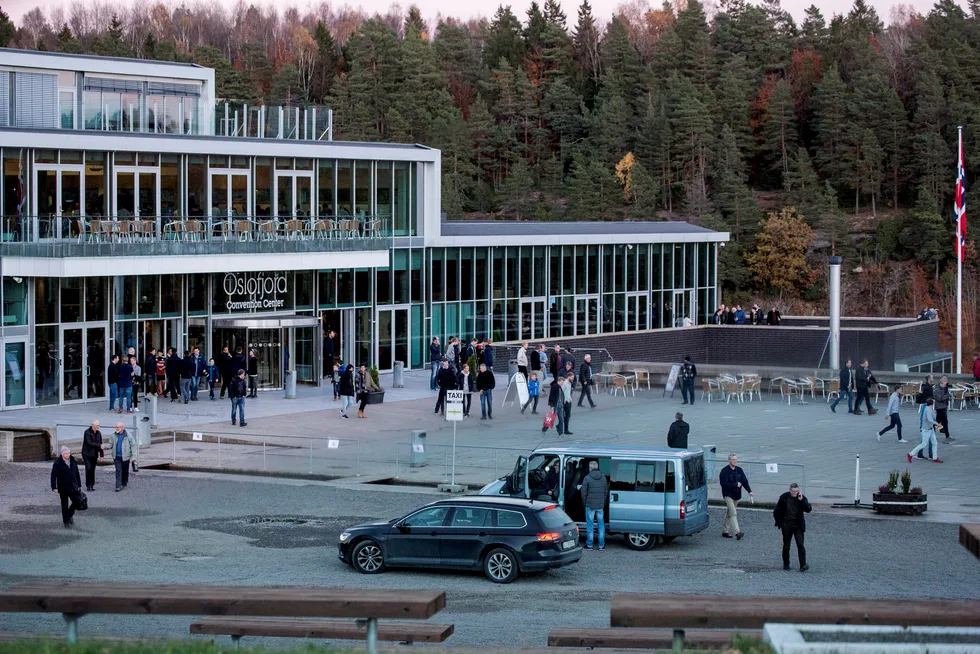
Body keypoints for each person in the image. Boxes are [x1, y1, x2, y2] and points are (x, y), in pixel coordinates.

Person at [773, 483, 812, 572]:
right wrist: (780, 523)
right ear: (790, 490)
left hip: (798, 525)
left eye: (797, 491)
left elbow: (809, 509)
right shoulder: (784, 497)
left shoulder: (801, 497)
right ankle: (786, 564)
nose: (795, 493)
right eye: (793, 491)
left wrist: (802, 501)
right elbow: (777, 511)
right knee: (786, 545)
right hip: (787, 525)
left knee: (800, 545)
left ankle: (803, 565)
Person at [719, 454, 753, 540]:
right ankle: (737, 532)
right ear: (729, 460)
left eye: (735, 459)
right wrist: (735, 484)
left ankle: (725, 531)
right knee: (733, 513)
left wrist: (750, 491)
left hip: (737, 495)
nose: (734, 461)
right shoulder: (724, 471)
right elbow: (723, 483)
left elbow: (744, 481)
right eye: (733, 459)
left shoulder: (739, 470)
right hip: (728, 495)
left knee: (729, 513)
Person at [579, 461, 608, 551]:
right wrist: (603, 502)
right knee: (601, 525)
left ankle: (589, 544)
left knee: (590, 525)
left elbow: (583, 493)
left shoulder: (587, 478)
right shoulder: (603, 478)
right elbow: (605, 492)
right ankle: (601, 545)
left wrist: (585, 503)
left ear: (590, 468)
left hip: (590, 505)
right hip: (600, 505)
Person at [51, 446, 82, 528]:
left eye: (68, 453)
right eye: (66, 453)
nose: (68, 455)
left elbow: (77, 473)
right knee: (64, 505)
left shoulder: (73, 461)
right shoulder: (57, 463)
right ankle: (66, 522)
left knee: (77, 501)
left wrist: (79, 484)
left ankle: (69, 515)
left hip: (73, 486)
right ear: (62, 454)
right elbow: (53, 475)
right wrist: (54, 487)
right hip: (63, 486)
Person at [908, 398, 942, 463]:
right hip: (927, 429)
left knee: (934, 443)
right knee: (924, 444)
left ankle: (935, 457)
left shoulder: (928, 408)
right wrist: (937, 424)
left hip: (929, 428)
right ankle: (911, 454)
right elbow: (930, 419)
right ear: (932, 403)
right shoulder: (928, 410)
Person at [108, 421, 137, 491]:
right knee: (118, 470)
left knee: (125, 470)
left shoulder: (128, 435)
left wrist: (133, 457)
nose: (116, 428)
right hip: (117, 456)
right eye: (116, 427)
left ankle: (124, 482)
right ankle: (118, 485)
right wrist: (106, 446)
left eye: (118, 427)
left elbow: (133, 445)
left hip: (125, 456)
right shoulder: (113, 435)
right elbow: (110, 444)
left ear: (122, 428)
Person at [81, 420, 104, 492]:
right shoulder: (87, 432)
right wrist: (99, 445)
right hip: (86, 454)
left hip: (94, 454)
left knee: (93, 469)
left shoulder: (98, 433)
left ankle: (92, 484)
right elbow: (89, 442)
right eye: (97, 425)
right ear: (92, 425)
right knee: (88, 468)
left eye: (99, 425)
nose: (98, 427)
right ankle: (88, 485)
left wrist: (102, 455)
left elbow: (101, 444)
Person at [933, 375, 954, 443]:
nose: (946, 384)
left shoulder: (945, 389)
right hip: (939, 407)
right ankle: (946, 435)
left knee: (940, 421)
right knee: (942, 422)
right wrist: (948, 395)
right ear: (941, 382)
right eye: (944, 383)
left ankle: (932, 430)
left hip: (943, 407)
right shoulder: (937, 390)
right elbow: (940, 399)